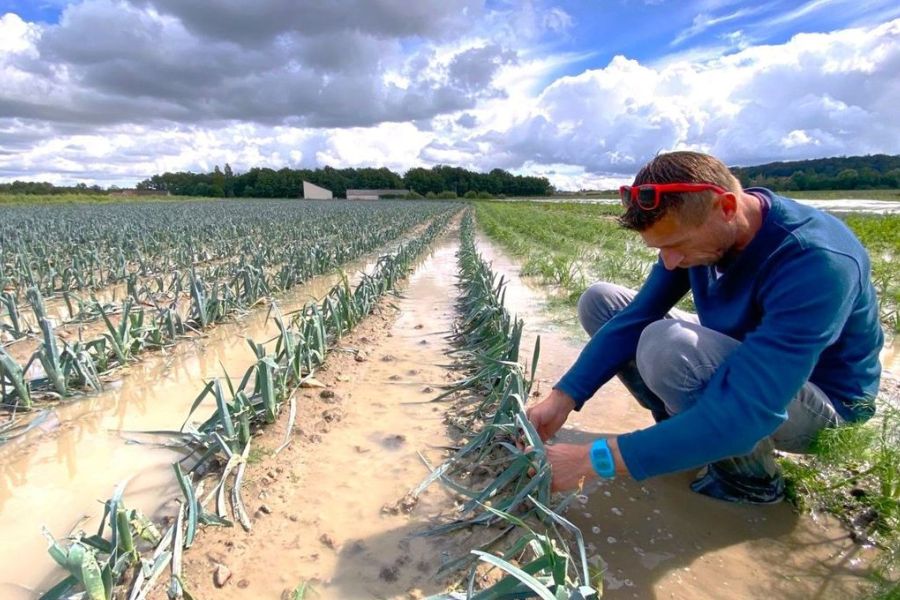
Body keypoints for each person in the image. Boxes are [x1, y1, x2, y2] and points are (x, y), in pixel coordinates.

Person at [526, 151, 883, 503]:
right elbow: (634, 318)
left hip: (821, 400)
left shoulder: (816, 260)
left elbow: (749, 411)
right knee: (601, 302)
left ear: (727, 207)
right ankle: (681, 436)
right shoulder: (711, 228)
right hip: (748, 358)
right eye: (660, 248)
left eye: (677, 245)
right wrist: (563, 398)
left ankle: (749, 480)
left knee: (668, 346)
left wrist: (595, 460)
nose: (670, 261)